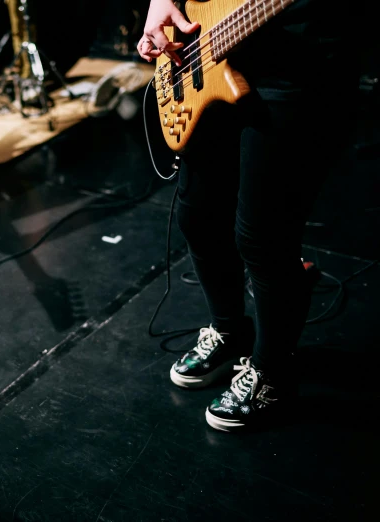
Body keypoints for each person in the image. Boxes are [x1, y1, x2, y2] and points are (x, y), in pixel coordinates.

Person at [137, 0, 356, 431]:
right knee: (196, 213)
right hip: (212, 32)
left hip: (299, 55)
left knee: (263, 236)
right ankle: (229, 329)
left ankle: (272, 371)